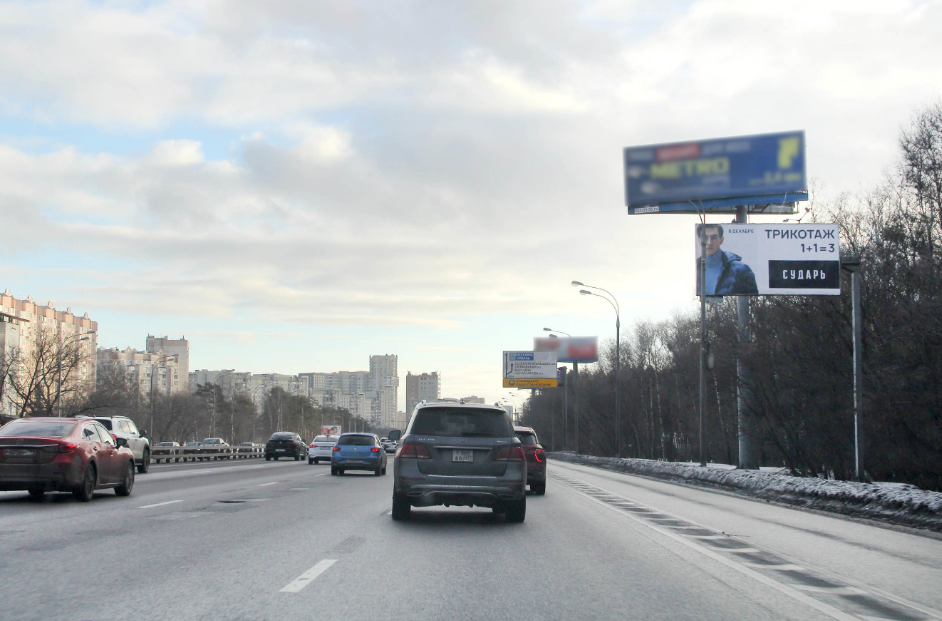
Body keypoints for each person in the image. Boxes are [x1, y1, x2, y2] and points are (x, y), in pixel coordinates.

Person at [696, 224, 758, 295]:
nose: (709, 243)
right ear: (699, 240)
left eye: (714, 238)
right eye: (705, 238)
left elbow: (752, 298)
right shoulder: (694, 268)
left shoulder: (740, 270)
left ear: (721, 240)